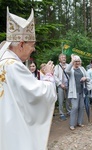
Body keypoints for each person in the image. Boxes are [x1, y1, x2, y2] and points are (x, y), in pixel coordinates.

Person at [0, 8, 57, 150]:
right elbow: (38, 94)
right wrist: (49, 76)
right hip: (14, 128)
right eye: (32, 45)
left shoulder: (3, 62)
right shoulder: (13, 66)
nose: (33, 49)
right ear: (20, 44)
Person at [66, 54, 92, 130]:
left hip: (82, 91)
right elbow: (66, 70)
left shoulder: (82, 69)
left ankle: (79, 122)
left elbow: (89, 78)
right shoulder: (71, 70)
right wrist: (72, 61)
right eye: (75, 61)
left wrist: (85, 78)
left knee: (81, 107)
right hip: (74, 92)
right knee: (74, 107)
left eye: (78, 61)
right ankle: (72, 124)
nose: (77, 63)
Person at [54, 54, 71, 120]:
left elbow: (71, 74)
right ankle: (61, 113)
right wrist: (60, 84)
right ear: (59, 59)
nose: (64, 58)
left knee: (68, 99)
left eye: (64, 57)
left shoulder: (69, 66)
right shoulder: (57, 67)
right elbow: (55, 76)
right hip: (61, 85)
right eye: (62, 57)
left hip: (68, 85)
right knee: (61, 100)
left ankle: (68, 111)